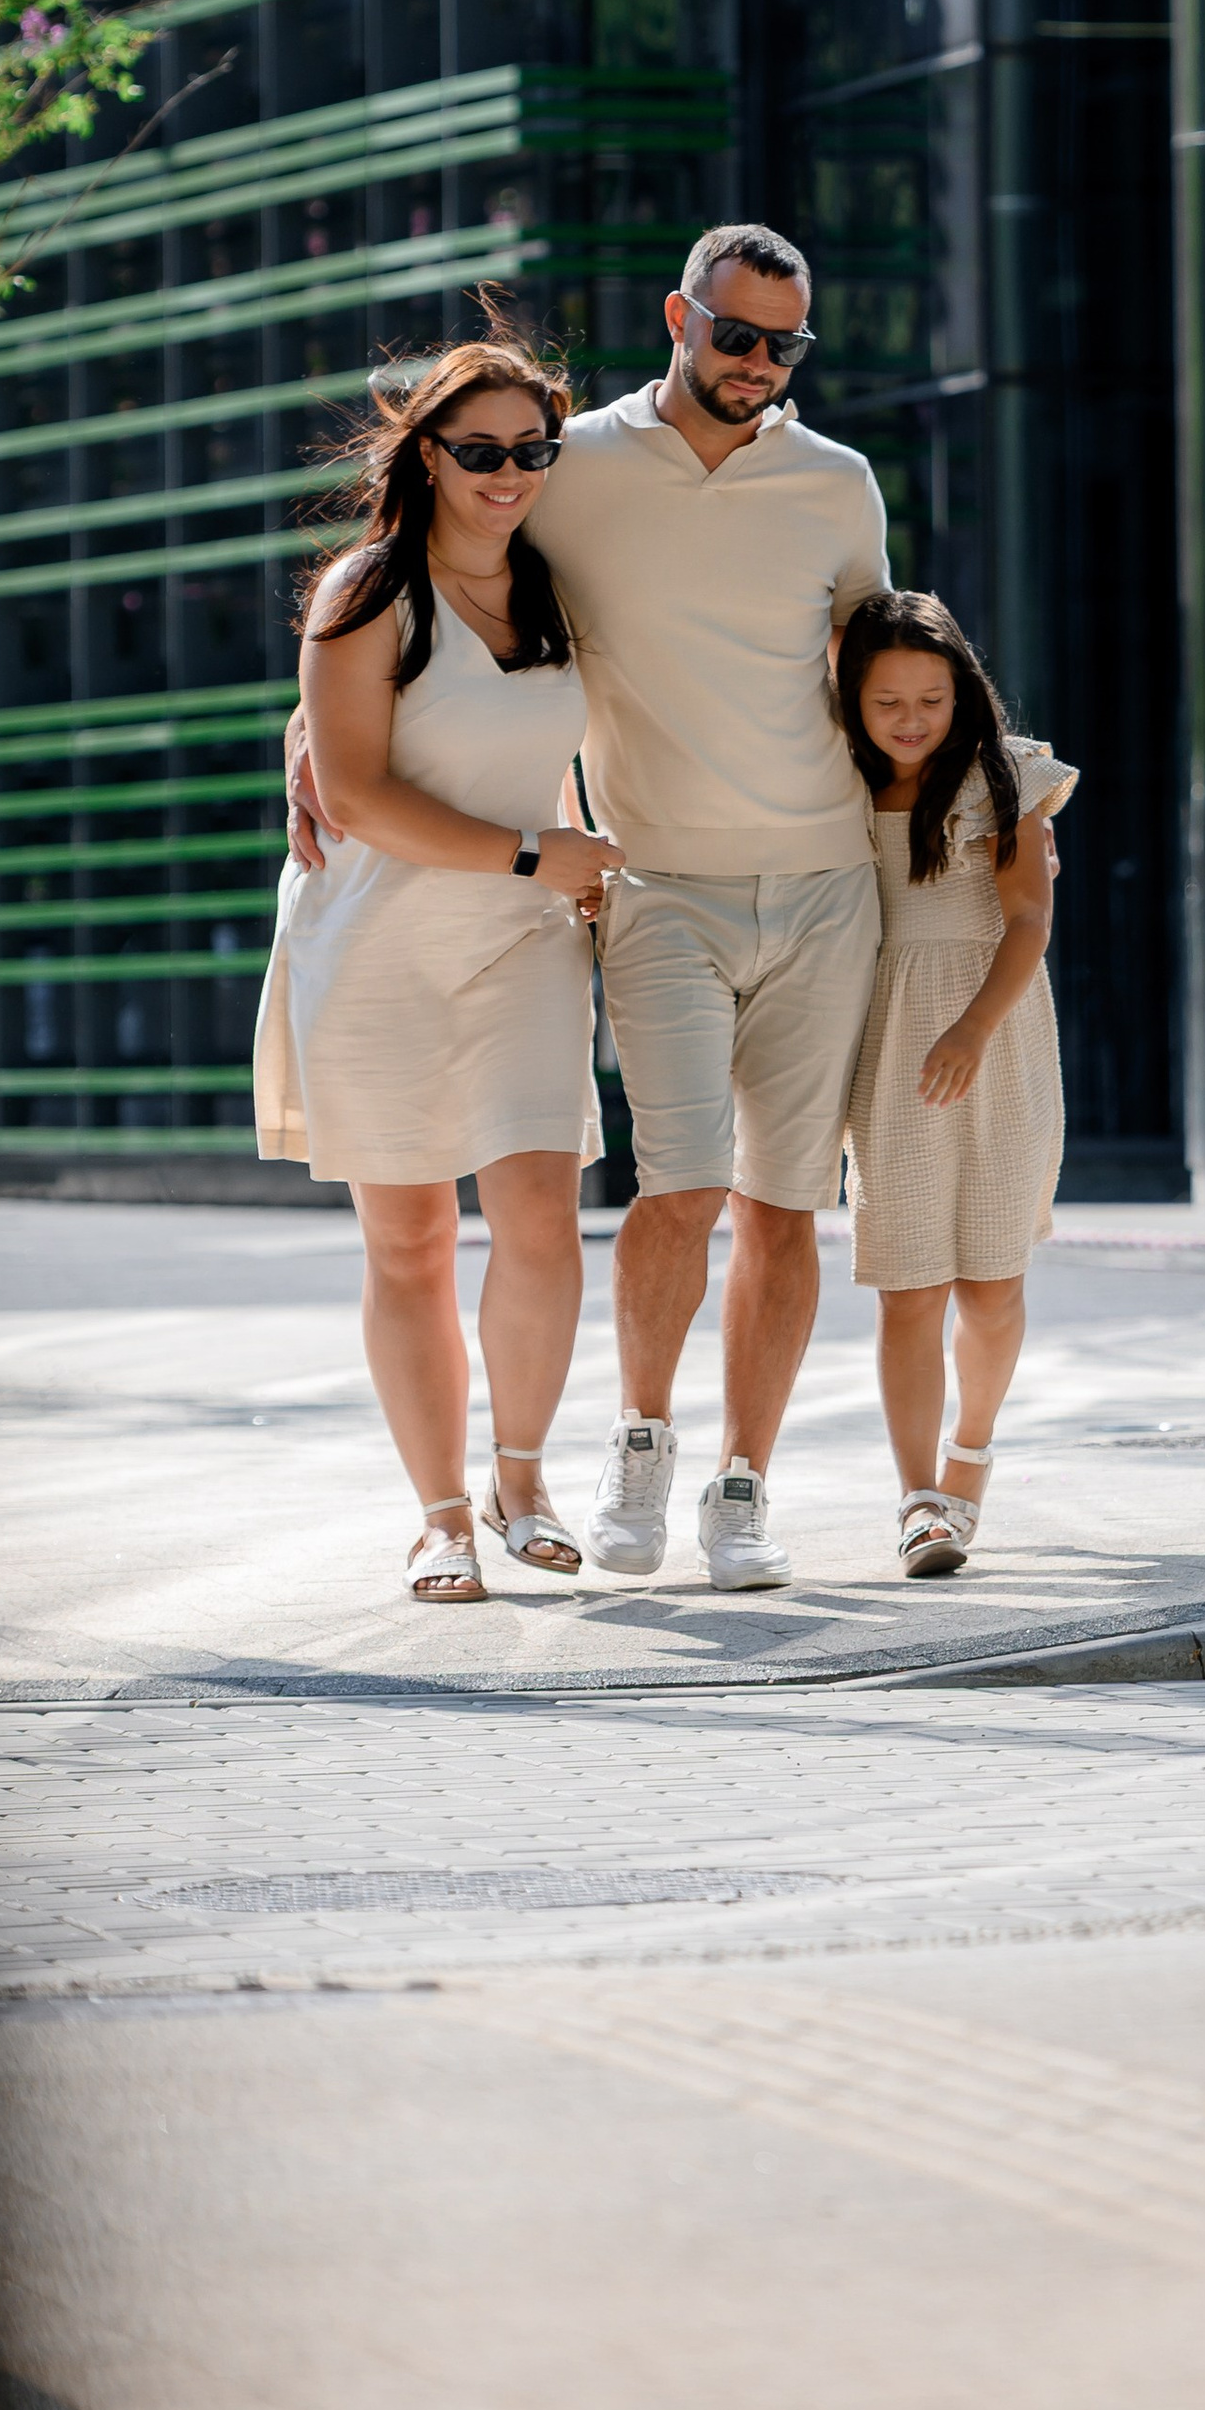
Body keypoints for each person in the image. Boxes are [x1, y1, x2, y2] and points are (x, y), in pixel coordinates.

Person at [285, 227, 891, 1590]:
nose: (759, 361)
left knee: (679, 1213)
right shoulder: (567, 479)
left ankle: (631, 1486)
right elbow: (379, 636)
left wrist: (995, 804)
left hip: (685, 906)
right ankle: (502, 1494)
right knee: (554, 1211)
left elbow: (883, 667)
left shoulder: (815, 487)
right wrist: (309, 738)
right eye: (735, 332)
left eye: (786, 342)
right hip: (556, 901)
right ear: (681, 316)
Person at [254, 340, 622, 1602]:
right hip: (377, 947)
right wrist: (534, 851)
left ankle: (523, 1482)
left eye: (533, 449)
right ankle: (441, 1517)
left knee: (543, 1222)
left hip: (521, 944)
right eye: (480, 450)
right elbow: (355, 792)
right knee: (408, 1240)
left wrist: (566, 856)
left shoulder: (561, 585)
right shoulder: (366, 589)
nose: (509, 473)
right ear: (426, 454)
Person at [832, 591, 1076, 1577]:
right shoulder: (833, 787)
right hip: (891, 1052)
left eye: (930, 699)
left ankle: (969, 1452)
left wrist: (972, 1028)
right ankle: (919, 1501)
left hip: (998, 1042)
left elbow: (1029, 922)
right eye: (887, 701)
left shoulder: (1003, 778)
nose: (910, 720)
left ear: (962, 691)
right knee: (908, 1287)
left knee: (991, 1284)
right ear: (853, 701)